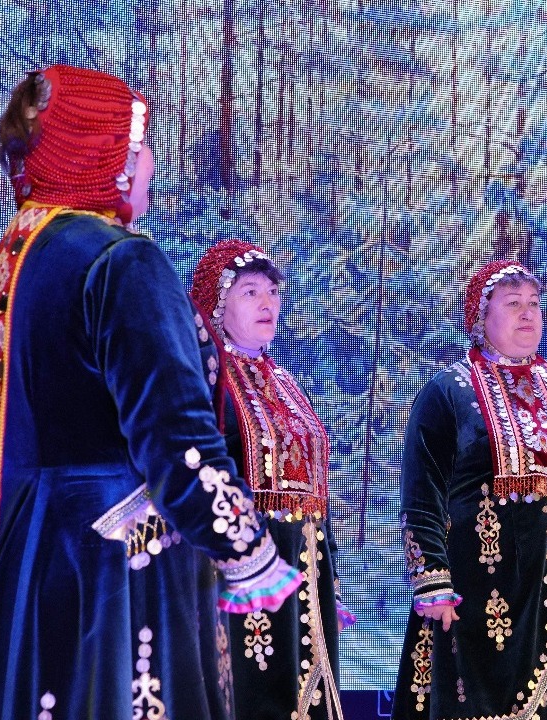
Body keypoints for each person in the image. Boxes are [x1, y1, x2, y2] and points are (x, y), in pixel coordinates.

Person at [0, 65, 301, 720]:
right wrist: (244, 547)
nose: (150, 163)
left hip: (28, 556)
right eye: (139, 146)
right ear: (106, 155)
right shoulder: (122, 260)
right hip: (117, 565)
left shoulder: (16, 257)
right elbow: (173, 430)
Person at [392, 260, 547, 720]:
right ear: (480, 318)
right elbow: (422, 492)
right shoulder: (448, 392)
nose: (528, 313)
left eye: (534, 303)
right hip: (484, 593)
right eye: (512, 304)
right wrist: (432, 578)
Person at [191, 239, 352, 719]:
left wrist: (330, 583)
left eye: (273, 292)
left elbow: (314, 492)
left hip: (305, 573)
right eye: (250, 292)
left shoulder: (283, 381)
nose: (267, 303)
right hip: (242, 573)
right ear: (217, 304)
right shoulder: (205, 379)